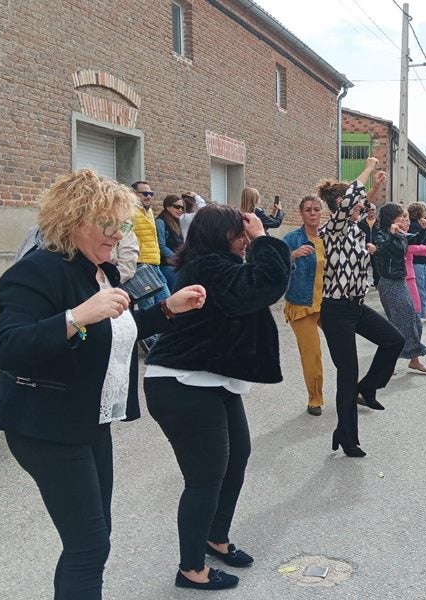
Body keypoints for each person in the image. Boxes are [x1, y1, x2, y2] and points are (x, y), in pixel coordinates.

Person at [0, 170, 206, 599]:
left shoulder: (100, 271)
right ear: (73, 220)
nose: (117, 234)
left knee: (94, 538)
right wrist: (75, 317)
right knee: (89, 544)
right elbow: (8, 348)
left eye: (121, 224)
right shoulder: (38, 272)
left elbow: (114, 331)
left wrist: (167, 310)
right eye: (107, 223)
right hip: (43, 424)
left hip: (89, 420)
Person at [143, 204, 289, 591]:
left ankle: (215, 537)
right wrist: (263, 239)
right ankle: (191, 569)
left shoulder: (216, 265)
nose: (245, 238)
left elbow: (257, 289)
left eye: (246, 232)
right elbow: (264, 286)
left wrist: (257, 241)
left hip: (213, 380)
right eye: (239, 232)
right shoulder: (209, 267)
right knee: (204, 478)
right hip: (182, 383)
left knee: (236, 458)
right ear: (218, 235)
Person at [318, 159, 405, 457]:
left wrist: (377, 187)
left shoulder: (354, 230)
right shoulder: (333, 227)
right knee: (347, 373)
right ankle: (347, 436)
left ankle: (368, 388)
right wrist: (368, 169)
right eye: (353, 205)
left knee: (394, 340)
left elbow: (360, 203)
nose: (361, 209)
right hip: (335, 310)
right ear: (341, 205)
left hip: (356, 306)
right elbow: (353, 201)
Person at [283, 195, 327, 416]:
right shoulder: (292, 239)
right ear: (301, 213)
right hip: (302, 304)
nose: (313, 213)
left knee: (344, 348)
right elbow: (271, 264)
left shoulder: (329, 237)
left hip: (328, 303)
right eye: (308, 210)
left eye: (317, 209)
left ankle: (354, 390)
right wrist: (292, 255)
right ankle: (315, 398)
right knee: (312, 354)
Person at [374, 203, 426, 374]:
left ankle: (414, 360)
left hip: (401, 281)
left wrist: (425, 229)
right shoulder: (383, 235)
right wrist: (391, 234)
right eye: (401, 216)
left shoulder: (401, 235)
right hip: (389, 283)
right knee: (399, 324)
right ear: (392, 218)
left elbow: (415, 239)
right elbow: (380, 251)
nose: (404, 219)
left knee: (414, 321)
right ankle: (388, 362)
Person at [130, 181, 171, 311]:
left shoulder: (149, 212)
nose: (149, 197)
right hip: (142, 265)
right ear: (134, 194)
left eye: (151, 194)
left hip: (155, 264)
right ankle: (151, 332)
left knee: (166, 302)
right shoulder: (130, 212)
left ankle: (162, 332)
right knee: (149, 307)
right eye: (145, 193)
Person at [156, 194, 186, 291]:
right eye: (177, 207)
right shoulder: (161, 221)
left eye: (182, 207)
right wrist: (177, 258)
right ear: (167, 206)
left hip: (176, 265)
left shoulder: (177, 222)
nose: (180, 210)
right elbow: (161, 245)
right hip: (167, 266)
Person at [358, 204, 381, 287]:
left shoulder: (379, 223)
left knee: (376, 266)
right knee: (363, 266)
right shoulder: (361, 223)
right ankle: (362, 284)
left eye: (373, 209)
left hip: (375, 247)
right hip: (364, 247)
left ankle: (377, 283)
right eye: (369, 209)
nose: (371, 211)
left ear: (375, 211)